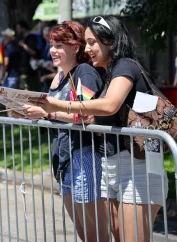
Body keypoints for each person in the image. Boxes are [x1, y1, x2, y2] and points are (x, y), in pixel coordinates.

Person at [29, 15, 168, 242]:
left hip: (138, 165)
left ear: (111, 42)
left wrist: (57, 106)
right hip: (113, 165)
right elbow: (96, 118)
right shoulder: (109, 72)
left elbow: (110, 105)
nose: (88, 48)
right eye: (87, 42)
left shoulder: (125, 65)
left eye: (93, 42)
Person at [9, 21, 107, 242]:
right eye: (52, 44)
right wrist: (25, 112)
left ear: (76, 47)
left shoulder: (85, 72)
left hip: (85, 155)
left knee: (94, 232)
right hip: (63, 156)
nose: (53, 50)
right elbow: (51, 112)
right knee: (82, 232)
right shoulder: (58, 77)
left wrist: (46, 114)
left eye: (60, 45)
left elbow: (85, 115)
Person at [15, 20, 42, 91]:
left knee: (27, 90)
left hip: (29, 71)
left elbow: (33, 52)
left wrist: (23, 45)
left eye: (18, 28)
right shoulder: (21, 38)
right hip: (22, 70)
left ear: (23, 28)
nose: (17, 30)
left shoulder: (31, 38)